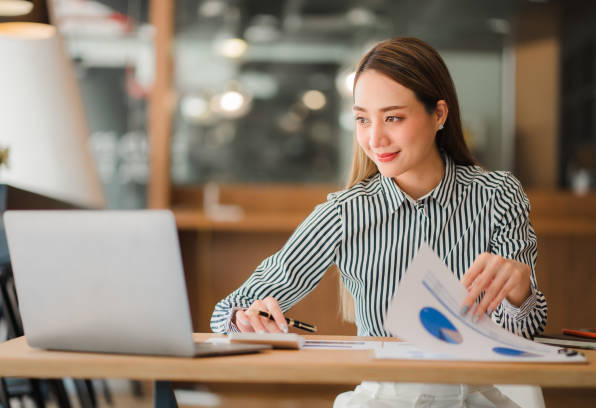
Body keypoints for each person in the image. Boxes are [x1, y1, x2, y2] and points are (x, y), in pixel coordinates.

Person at [210, 37, 547, 407]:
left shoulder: (498, 196)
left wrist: (520, 292)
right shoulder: (343, 213)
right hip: (385, 398)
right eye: (362, 119)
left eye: (393, 117)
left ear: (439, 114)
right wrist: (246, 319)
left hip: (474, 395)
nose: (374, 138)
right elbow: (228, 311)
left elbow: (525, 336)